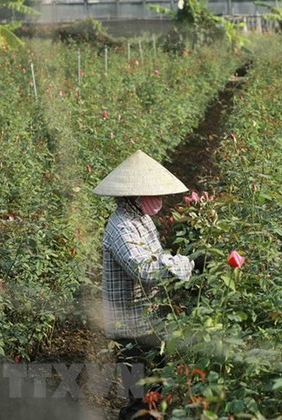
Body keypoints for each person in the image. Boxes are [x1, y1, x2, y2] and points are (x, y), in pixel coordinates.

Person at [93, 149, 196, 419]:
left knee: (154, 392)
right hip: (128, 326)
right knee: (138, 399)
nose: (157, 200)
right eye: (152, 194)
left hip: (146, 319)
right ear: (134, 195)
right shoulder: (122, 227)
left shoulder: (141, 219)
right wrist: (188, 263)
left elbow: (157, 257)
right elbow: (145, 270)